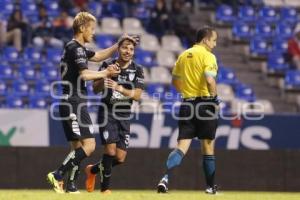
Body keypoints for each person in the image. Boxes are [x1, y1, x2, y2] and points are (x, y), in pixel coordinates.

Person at [46, 11, 137, 194]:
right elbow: (85, 75)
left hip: (69, 101)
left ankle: (71, 186)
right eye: (92, 29)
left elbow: (98, 56)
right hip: (74, 101)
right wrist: (106, 73)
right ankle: (57, 175)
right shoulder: (76, 49)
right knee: (90, 145)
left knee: (76, 147)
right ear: (82, 28)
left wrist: (118, 44)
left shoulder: (73, 47)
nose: (93, 33)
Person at [156, 26, 220, 194]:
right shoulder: (209, 56)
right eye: (213, 40)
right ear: (206, 40)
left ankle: (165, 178)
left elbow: (175, 80)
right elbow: (209, 79)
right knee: (207, 147)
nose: (214, 44)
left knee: (181, 147)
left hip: (187, 104)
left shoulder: (184, 55)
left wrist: (186, 92)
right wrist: (214, 98)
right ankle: (210, 187)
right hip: (205, 105)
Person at [84, 38, 144, 194]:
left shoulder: (137, 70)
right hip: (107, 112)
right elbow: (96, 89)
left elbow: (137, 96)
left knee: (119, 158)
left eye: (131, 49)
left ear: (133, 52)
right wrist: (106, 76)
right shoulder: (107, 65)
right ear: (119, 49)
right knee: (110, 151)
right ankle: (105, 190)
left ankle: (93, 170)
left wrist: (119, 88)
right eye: (125, 48)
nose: (127, 51)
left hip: (124, 114)